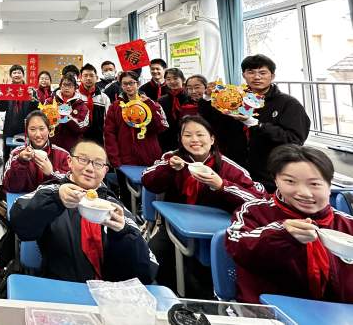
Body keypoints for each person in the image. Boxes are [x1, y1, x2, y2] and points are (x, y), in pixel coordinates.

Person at [142, 115, 266, 296]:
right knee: (149, 261)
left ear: (212, 139)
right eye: (187, 135)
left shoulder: (228, 167)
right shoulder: (172, 158)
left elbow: (258, 201)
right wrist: (168, 168)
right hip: (173, 228)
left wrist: (222, 185)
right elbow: (148, 180)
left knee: (204, 279)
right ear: (180, 139)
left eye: (200, 134)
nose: (194, 140)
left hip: (212, 234)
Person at [10, 140, 157, 283]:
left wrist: (123, 233)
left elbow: (147, 271)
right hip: (60, 288)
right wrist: (55, 198)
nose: (90, 169)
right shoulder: (51, 192)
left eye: (98, 163)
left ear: (105, 171)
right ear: (69, 161)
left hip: (106, 292)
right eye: (83, 160)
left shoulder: (114, 207)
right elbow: (20, 225)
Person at [226, 145, 353, 303]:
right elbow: (236, 245)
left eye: (314, 184)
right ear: (276, 181)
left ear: (329, 185)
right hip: (268, 309)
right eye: (290, 181)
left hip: (337, 312)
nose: (304, 193)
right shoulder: (253, 212)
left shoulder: (347, 224)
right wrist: (282, 234)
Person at [199, 54, 311, 191]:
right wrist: (208, 97)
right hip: (234, 172)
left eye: (262, 73)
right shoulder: (234, 99)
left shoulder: (288, 104)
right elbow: (209, 123)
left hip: (270, 174)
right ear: (244, 75)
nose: (257, 77)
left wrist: (256, 124)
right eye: (251, 72)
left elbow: (295, 140)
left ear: (272, 76)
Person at [104, 71, 168, 208]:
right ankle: (129, 219)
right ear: (121, 86)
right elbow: (109, 134)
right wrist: (115, 159)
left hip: (149, 157)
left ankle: (148, 219)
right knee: (127, 195)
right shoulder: (115, 107)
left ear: (137, 83)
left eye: (131, 83)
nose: (128, 87)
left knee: (149, 195)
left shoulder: (151, 103)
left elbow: (161, 127)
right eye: (125, 84)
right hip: (125, 159)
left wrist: (150, 106)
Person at [3, 111, 70, 193]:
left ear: (49, 130)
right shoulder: (16, 153)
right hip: (23, 200)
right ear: (27, 132)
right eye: (32, 129)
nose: (38, 134)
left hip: (52, 200)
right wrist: (21, 162)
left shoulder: (63, 155)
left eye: (42, 129)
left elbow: (71, 186)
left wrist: (51, 173)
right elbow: (10, 187)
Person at [0, 64, 39, 159]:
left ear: (23, 75)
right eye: (14, 73)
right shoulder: (7, 90)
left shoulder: (31, 90)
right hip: (9, 126)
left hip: (26, 126)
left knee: (26, 152)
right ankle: (7, 168)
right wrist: (2, 96)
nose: (17, 75)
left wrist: (32, 99)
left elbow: (37, 109)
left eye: (19, 72)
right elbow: (0, 108)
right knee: (7, 153)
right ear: (11, 75)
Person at [45, 73, 89, 153]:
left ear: (75, 88)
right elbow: (43, 120)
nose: (67, 88)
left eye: (70, 85)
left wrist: (67, 118)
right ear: (60, 86)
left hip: (72, 148)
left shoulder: (82, 105)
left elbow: (82, 127)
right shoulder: (50, 101)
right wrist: (56, 117)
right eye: (64, 85)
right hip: (51, 145)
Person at [157, 68, 198, 152]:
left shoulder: (191, 97)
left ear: (183, 79)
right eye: (168, 79)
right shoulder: (161, 100)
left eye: (175, 78)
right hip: (168, 140)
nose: (172, 81)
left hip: (189, 137)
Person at [79, 63, 111, 145]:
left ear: (96, 78)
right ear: (80, 78)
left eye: (91, 75)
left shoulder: (104, 98)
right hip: (78, 141)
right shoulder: (75, 96)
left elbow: (108, 122)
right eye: (85, 75)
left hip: (98, 141)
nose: (88, 78)